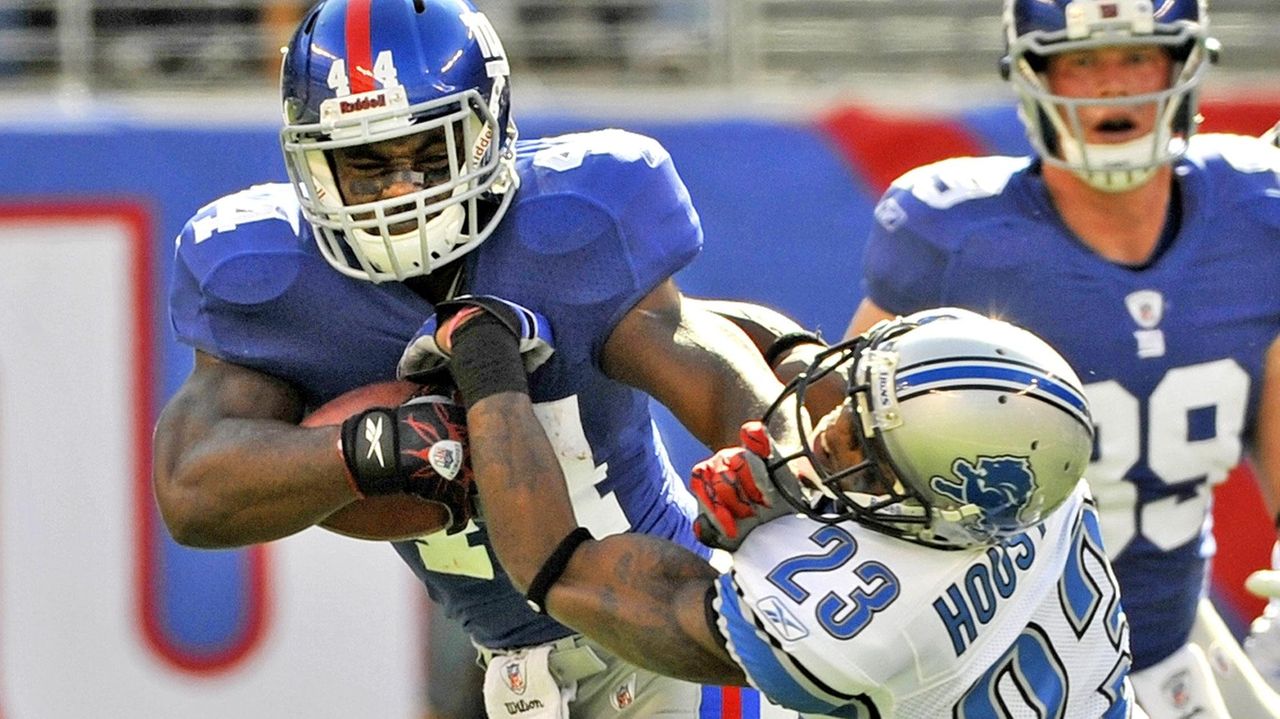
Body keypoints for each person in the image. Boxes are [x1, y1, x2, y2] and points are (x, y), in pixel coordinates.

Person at [150, 0, 803, 716]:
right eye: (365, 166)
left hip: (661, 634)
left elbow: (707, 374)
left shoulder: (574, 222)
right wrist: (374, 449)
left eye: (431, 153)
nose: (401, 190)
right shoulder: (270, 274)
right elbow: (192, 489)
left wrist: (797, 475)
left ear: (490, 131)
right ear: (310, 163)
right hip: (514, 680)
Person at [842, 1, 1280, 716]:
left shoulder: (1254, 219)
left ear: (1183, 63)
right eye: (1082, 62)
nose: (1113, 86)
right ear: (1034, 74)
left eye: (1136, 56)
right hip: (986, 671)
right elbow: (840, 459)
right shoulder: (955, 237)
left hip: (1166, 653)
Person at [416, 303, 1144, 717]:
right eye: (859, 399)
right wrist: (600, 298)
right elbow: (804, 359)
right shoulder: (1034, 481)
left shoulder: (868, 625)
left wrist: (487, 368)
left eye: (862, 443)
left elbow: (557, 570)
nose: (830, 431)